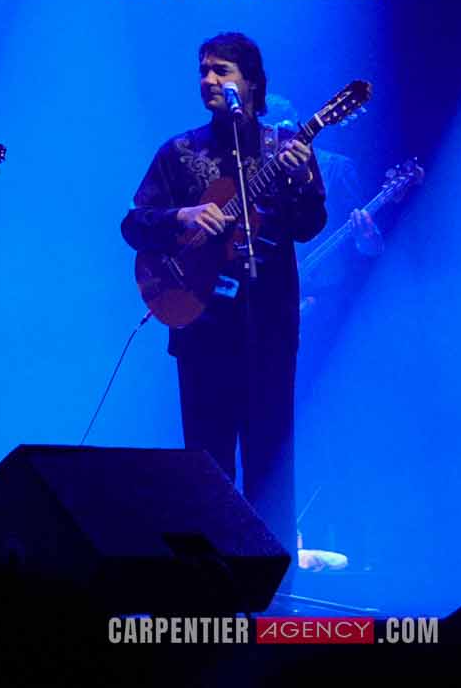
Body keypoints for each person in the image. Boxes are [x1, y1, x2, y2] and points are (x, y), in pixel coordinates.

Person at [119, 33, 324, 569]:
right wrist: (180, 218)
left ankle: (275, 590)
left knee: (270, 461)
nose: (209, 79)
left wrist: (302, 179)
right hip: (200, 324)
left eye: (222, 71)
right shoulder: (180, 152)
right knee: (206, 462)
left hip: (270, 329)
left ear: (251, 84)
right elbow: (133, 224)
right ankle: (206, 581)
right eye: (204, 70)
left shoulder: (286, 148)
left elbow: (310, 225)